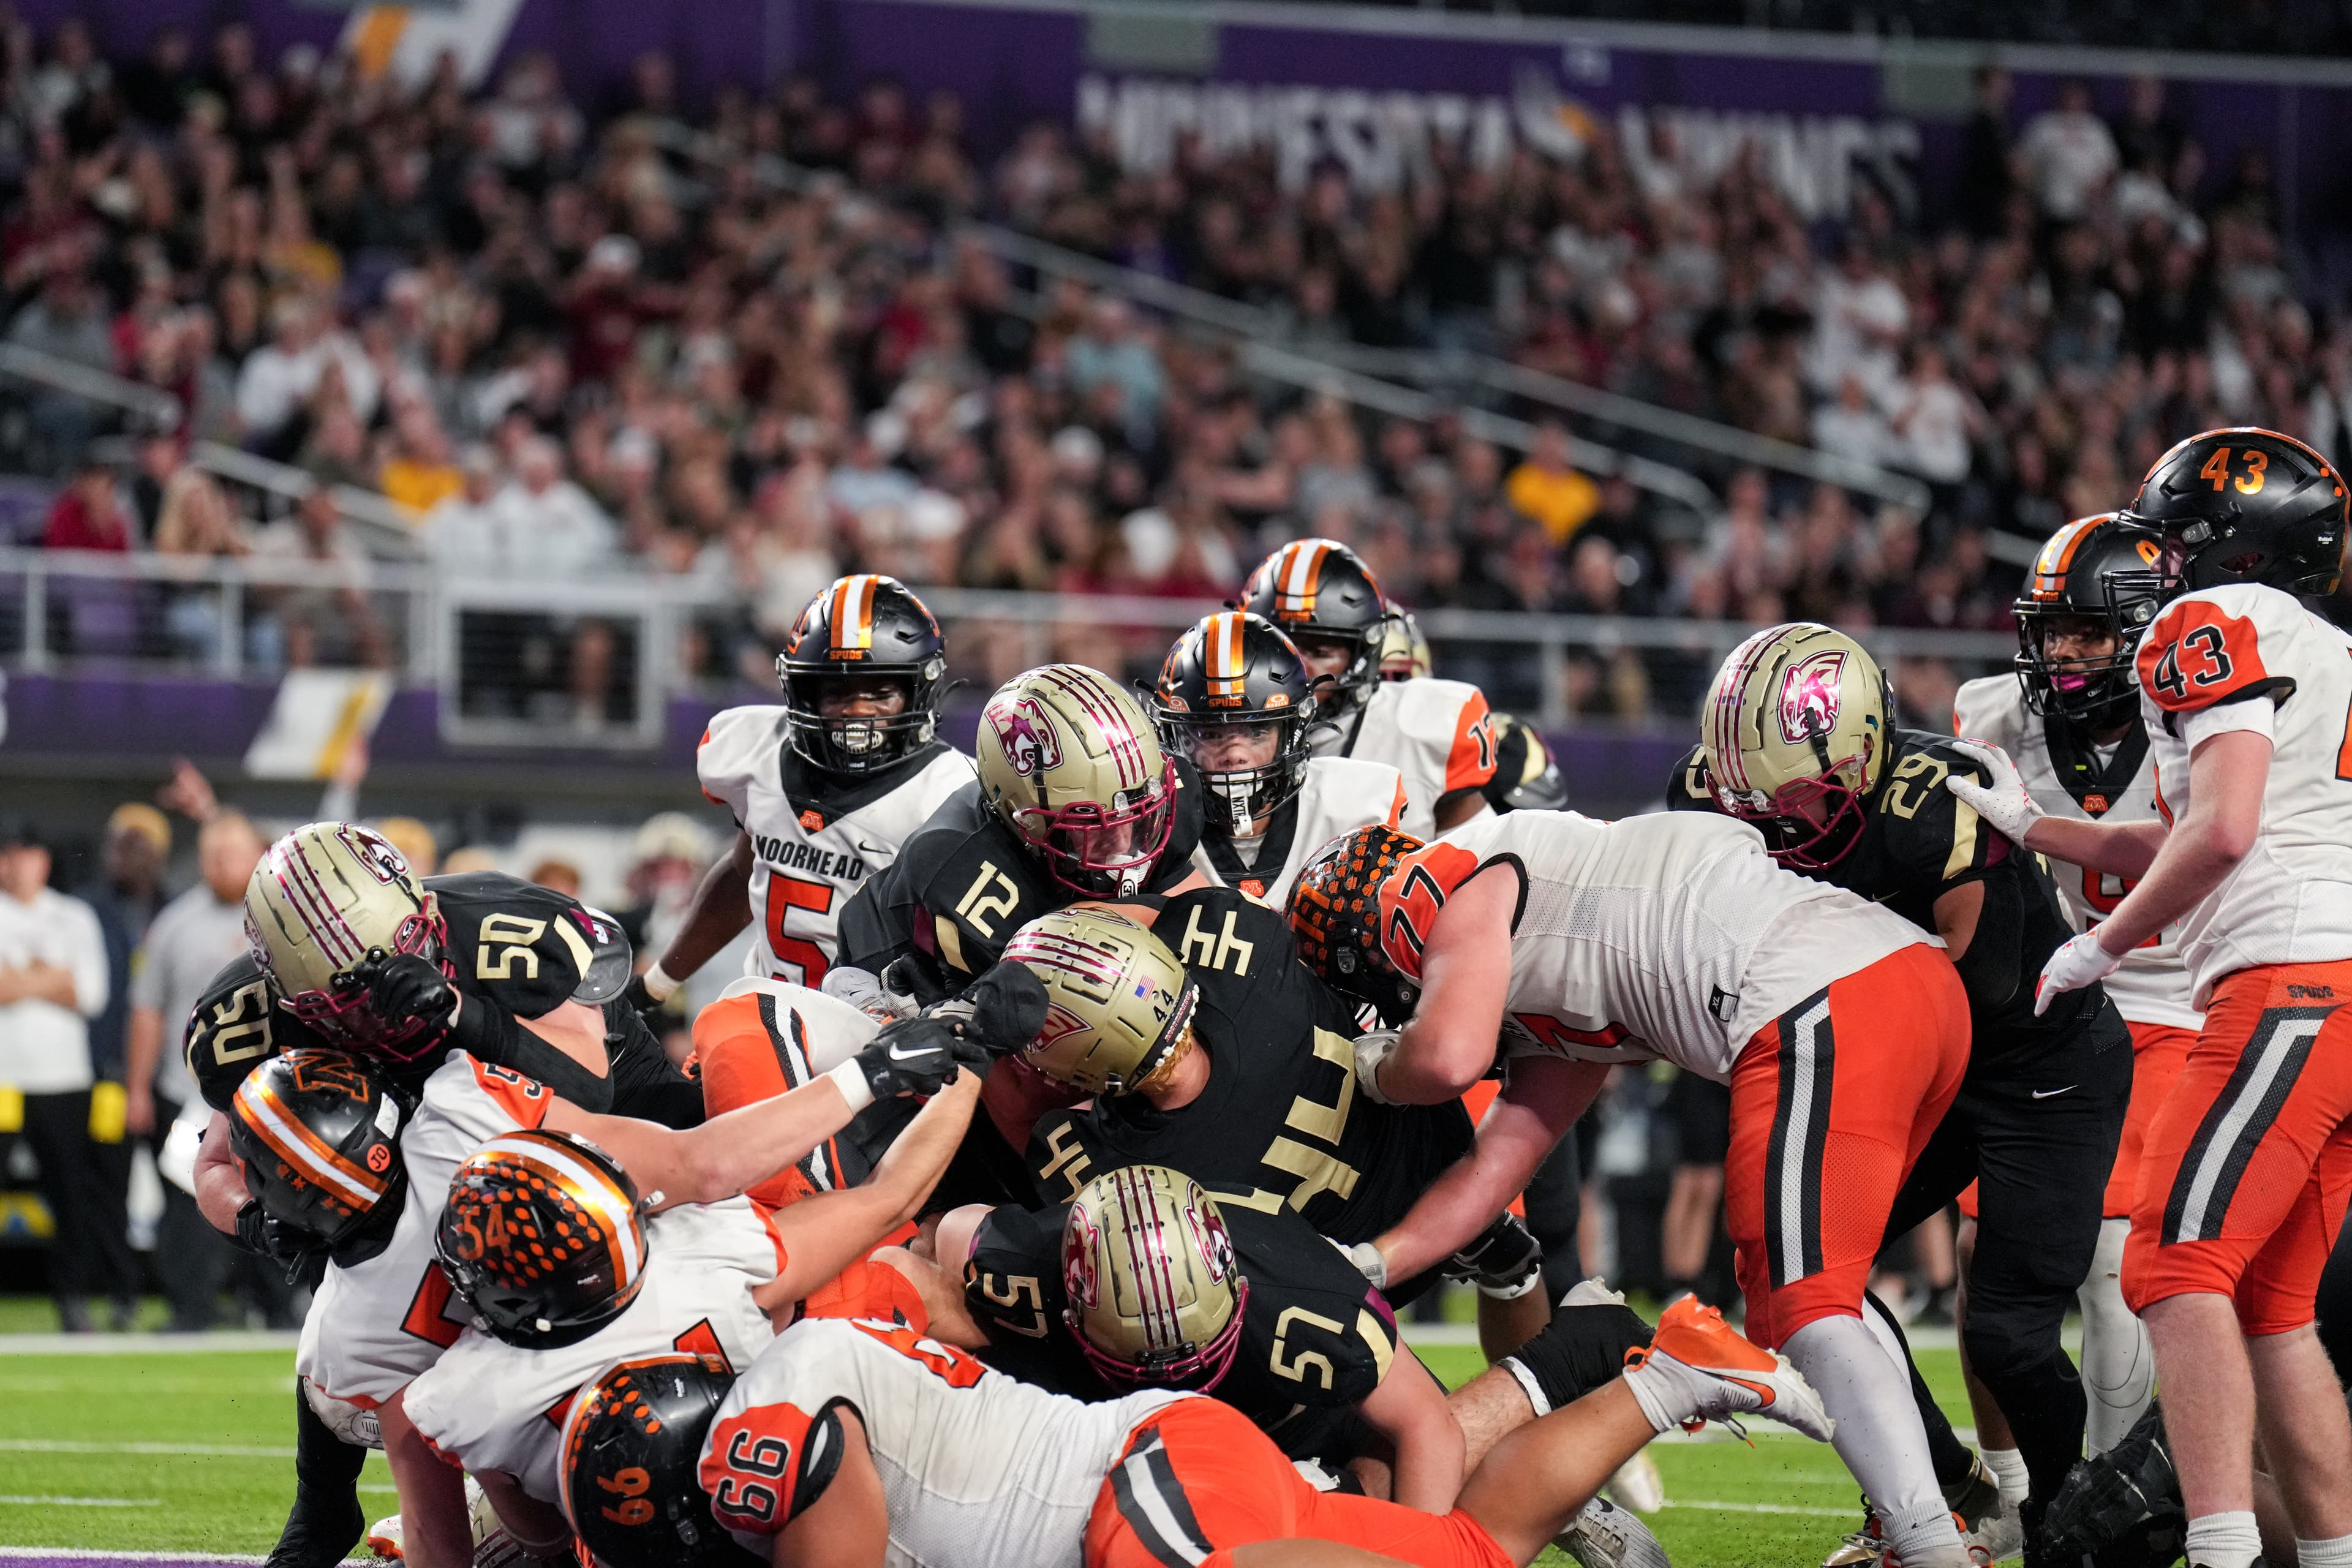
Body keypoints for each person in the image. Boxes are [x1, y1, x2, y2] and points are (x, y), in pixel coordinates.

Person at [1284, 815, 1979, 1568]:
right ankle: (1932, 1509)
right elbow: (1493, 1172)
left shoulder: (1454, 883)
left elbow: (1447, 1059)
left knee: (1804, 1298)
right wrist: (1371, 1264)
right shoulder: (1550, 960)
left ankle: (1930, 1548)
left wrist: (1382, 1070)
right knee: (1799, 1289)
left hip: (1819, 989)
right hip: (1900, 985)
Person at [1950, 426, 2352, 1568]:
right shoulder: (2326, 647)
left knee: (2172, 1265)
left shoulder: (2208, 620)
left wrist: (2100, 946)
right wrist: (2034, 826)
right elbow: (2177, 833)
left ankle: (2220, 1554)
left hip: (2289, 980)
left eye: (2172, 540)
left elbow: (2220, 835)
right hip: (2335, 982)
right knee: (2275, 1313)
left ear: (2229, 545)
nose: (2159, 561)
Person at [1672, 622, 2134, 1562]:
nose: (1778, 824)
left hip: (2036, 1062)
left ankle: (2068, 1523)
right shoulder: (1721, 789)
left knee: (2008, 1333)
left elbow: (1979, 985)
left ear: (1863, 753)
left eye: (1799, 798)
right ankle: (1945, 1488)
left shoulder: (1938, 804)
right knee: (1805, 1283)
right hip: (1910, 1053)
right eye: (1755, 803)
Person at [565, 1283, 1828, 1568]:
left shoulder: (769, 1437)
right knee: (1474, 1554)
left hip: (1136, 1495)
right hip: (1172, 1464)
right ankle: (1674, 1374)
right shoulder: (794, 1368)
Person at [913, 1164, 1665, 1565]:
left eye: (1192, 1355)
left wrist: (1412, 1554)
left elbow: (1425, 1427)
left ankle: (1579, 1348)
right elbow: (930, 1248)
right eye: (1145, 1360)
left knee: (1346, 1501)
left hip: (1285, 1409)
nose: (1173, 1375)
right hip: (1124, 1426)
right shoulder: (1010, 1266)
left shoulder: (1311, 1309)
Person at [398, 1069, 981, 1568]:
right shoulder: (699, 1251)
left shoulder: (456, 1403)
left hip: (639, 1547)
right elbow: (891, 1197)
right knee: (895, 1283)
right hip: (805, 1498)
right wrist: (969, 1065)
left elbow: (541, 1535)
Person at [1953, 513, 2197, 1458]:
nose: (2063, 653)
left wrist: (2040, 832)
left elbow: (2189, 845)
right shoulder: (1995, 718)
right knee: (1985, 1252)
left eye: (2089, 633)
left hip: (2182, 994)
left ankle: (2106, 1495)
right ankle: (2010, 1490)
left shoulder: (2207, 719)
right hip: (2057, 1005)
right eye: (2051, 630)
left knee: (2110, 1252)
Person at [631, 575, 973, 1023]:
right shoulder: (759, 753)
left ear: (920, 690)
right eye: (837, 693)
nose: (857, 712)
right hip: (770, 1021)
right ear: (803, 692)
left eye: (880, 693)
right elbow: (745, 874)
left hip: (886, 1039)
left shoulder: (952, 793)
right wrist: (657, 982)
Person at [834, 663, 1211, 993]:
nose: (1125, 846)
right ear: (1023, 818)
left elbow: (1201, 913)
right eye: (1091, 827)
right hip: (881, 987)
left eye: (1140, 818)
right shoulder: (963, 873)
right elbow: (1045, 1004)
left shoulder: (1164, 790)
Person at [1240, 541, 1497, 840]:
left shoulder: (1418, 729)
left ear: (1362, 657)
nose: (1295, 668)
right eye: (1277, 650)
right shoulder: (1208, 737)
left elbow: (1480, 854)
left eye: (1320, 652)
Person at [1152, 609, 1404, 908]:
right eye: (1210, 734)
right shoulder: (1149, 825)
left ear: (1291, 732)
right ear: (1172, 736)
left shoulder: (1357, 804)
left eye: (1256, 732)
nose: (1235, 755)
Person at [128, 811, 272, 1332]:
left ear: (256, 856)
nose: (221, 865)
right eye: (212, 856)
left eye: (231, 855)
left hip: (272, 1090)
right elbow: (148, 1008)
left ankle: (280, 1308)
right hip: (188, 1090)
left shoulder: (282, 914)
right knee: (188, 1201)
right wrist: (138, 1088)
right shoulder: (175, 923)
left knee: (279, 1194)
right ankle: (190, 1308)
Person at [0, 818, 114, 1333]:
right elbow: (67, 985)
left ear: (43, 861)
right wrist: (52, 978)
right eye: (8, 855)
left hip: (63, 1078)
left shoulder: (74, 917)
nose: (16, 866)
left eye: (25, 854)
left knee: (70, 1194)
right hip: (5, 1078)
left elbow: (91, 995)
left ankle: (73, 1299)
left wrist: (19, 980)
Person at [75, 803, 170, 1332]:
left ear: (157, 852)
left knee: (187, 1184)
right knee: (108, 1187)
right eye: (116, 842)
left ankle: (192, 1293)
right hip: (111, 1072)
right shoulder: (86, 908)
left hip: (176, 1075)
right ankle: (120, 1293)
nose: (123, 853)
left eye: (136, 843)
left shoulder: (177, 908)